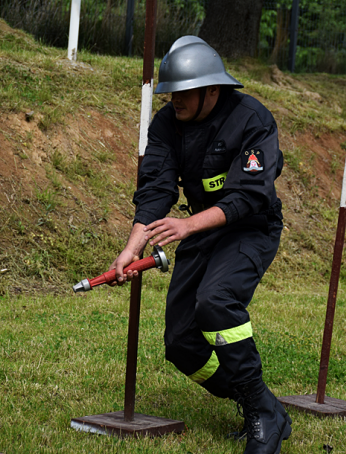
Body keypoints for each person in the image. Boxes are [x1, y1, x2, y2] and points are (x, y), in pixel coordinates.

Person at [110, 36, 291, 454]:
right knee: (182, 345)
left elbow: (249, 196)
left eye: (184, 93)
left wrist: (188, 225)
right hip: (197, 229)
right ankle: (260, 403)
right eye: (171, 93)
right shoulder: (165, 124)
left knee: (216, 301)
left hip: (250, 228)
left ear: (213, 89)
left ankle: (263, 417)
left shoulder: (252, 119)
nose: (175, 101)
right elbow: (155, 189)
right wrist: (131, 248)